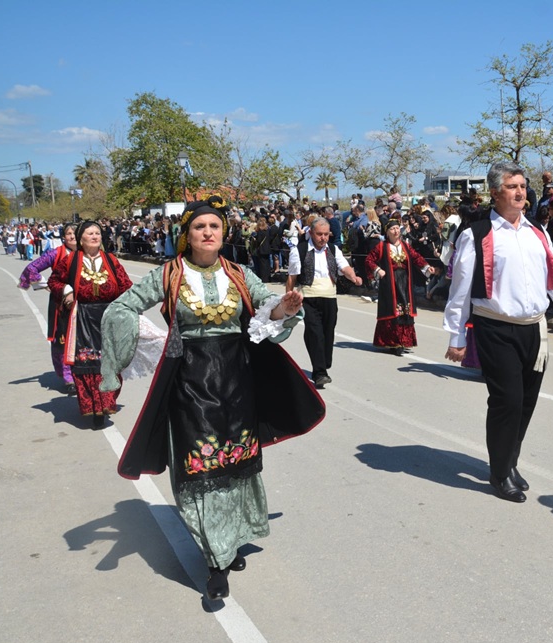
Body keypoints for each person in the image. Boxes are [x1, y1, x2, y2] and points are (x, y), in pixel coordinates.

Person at [100, 195, 325, 602]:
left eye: (215, 226)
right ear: (186, 235)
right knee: (200, 468)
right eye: (199, 227)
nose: (208, 233)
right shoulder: (169, 273)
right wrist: (131, 350)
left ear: (224, 233)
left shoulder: (239, 273)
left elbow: (268, 309)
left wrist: (284, 308)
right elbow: (123, 307)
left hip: (237, 379)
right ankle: (215, 561)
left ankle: (230, 541)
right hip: (190, 380)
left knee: (236, 463)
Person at [443, 161, 553, 503]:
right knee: (507, 401)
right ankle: (499, 473)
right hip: (495, 327)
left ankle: (510, 462)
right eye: (512, 187)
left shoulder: (536, 231)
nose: (520, 192)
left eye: (522, 186)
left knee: (526, 401)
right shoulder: (476, 234)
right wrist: (457, 337)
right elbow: (460, 289)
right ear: (495, 193)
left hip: (534, 329)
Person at [48, 221, 132, 428]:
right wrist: (67, 291)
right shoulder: (70, 261)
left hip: (108, 317)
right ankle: (93, 407)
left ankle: (106, 403)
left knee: (110, 362)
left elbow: (126, 285)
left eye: (97, 233)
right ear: (81, 238)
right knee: (87, 362)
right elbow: (54, 282)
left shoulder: (111, 260)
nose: (95, 236)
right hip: (82, 317)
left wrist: (128, 309)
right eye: (90, 233)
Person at [287, 217, 363, 388]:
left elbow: (344, 267)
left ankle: (323, 362)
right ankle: (320, 373)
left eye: (326, 234)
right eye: (319, 234)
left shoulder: (334, 250)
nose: (323, 238)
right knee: (315, 332)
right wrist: (289, 299)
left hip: (329, 297)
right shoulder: (300, 250)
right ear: (311, 233)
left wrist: (354, 277)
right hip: (308, 298)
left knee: (328, 334)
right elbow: (292, 277)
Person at [18, 224, 78, 392]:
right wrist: (45, 284)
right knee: (63, 337)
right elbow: (32, 268)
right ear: (63, 237)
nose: (72, 236)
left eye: (75, 233)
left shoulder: (86, 252)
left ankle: (83, 374)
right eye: (69, 234)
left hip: (83, 300)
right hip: (61, 303)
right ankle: (68, 377)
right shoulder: (56, 253)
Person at [366, 217, 435, 355]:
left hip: (404, 282)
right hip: (390, 283)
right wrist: (378, 270)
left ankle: (404, 341)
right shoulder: (382, 246)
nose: (396, 231)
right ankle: (393, 342)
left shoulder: (405, 246)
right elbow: (369, 260)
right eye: (392, 229)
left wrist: (427, 267)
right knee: (393, 310)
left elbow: (416, 257)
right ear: (387, 232)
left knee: (405, 309)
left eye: (397, 228)